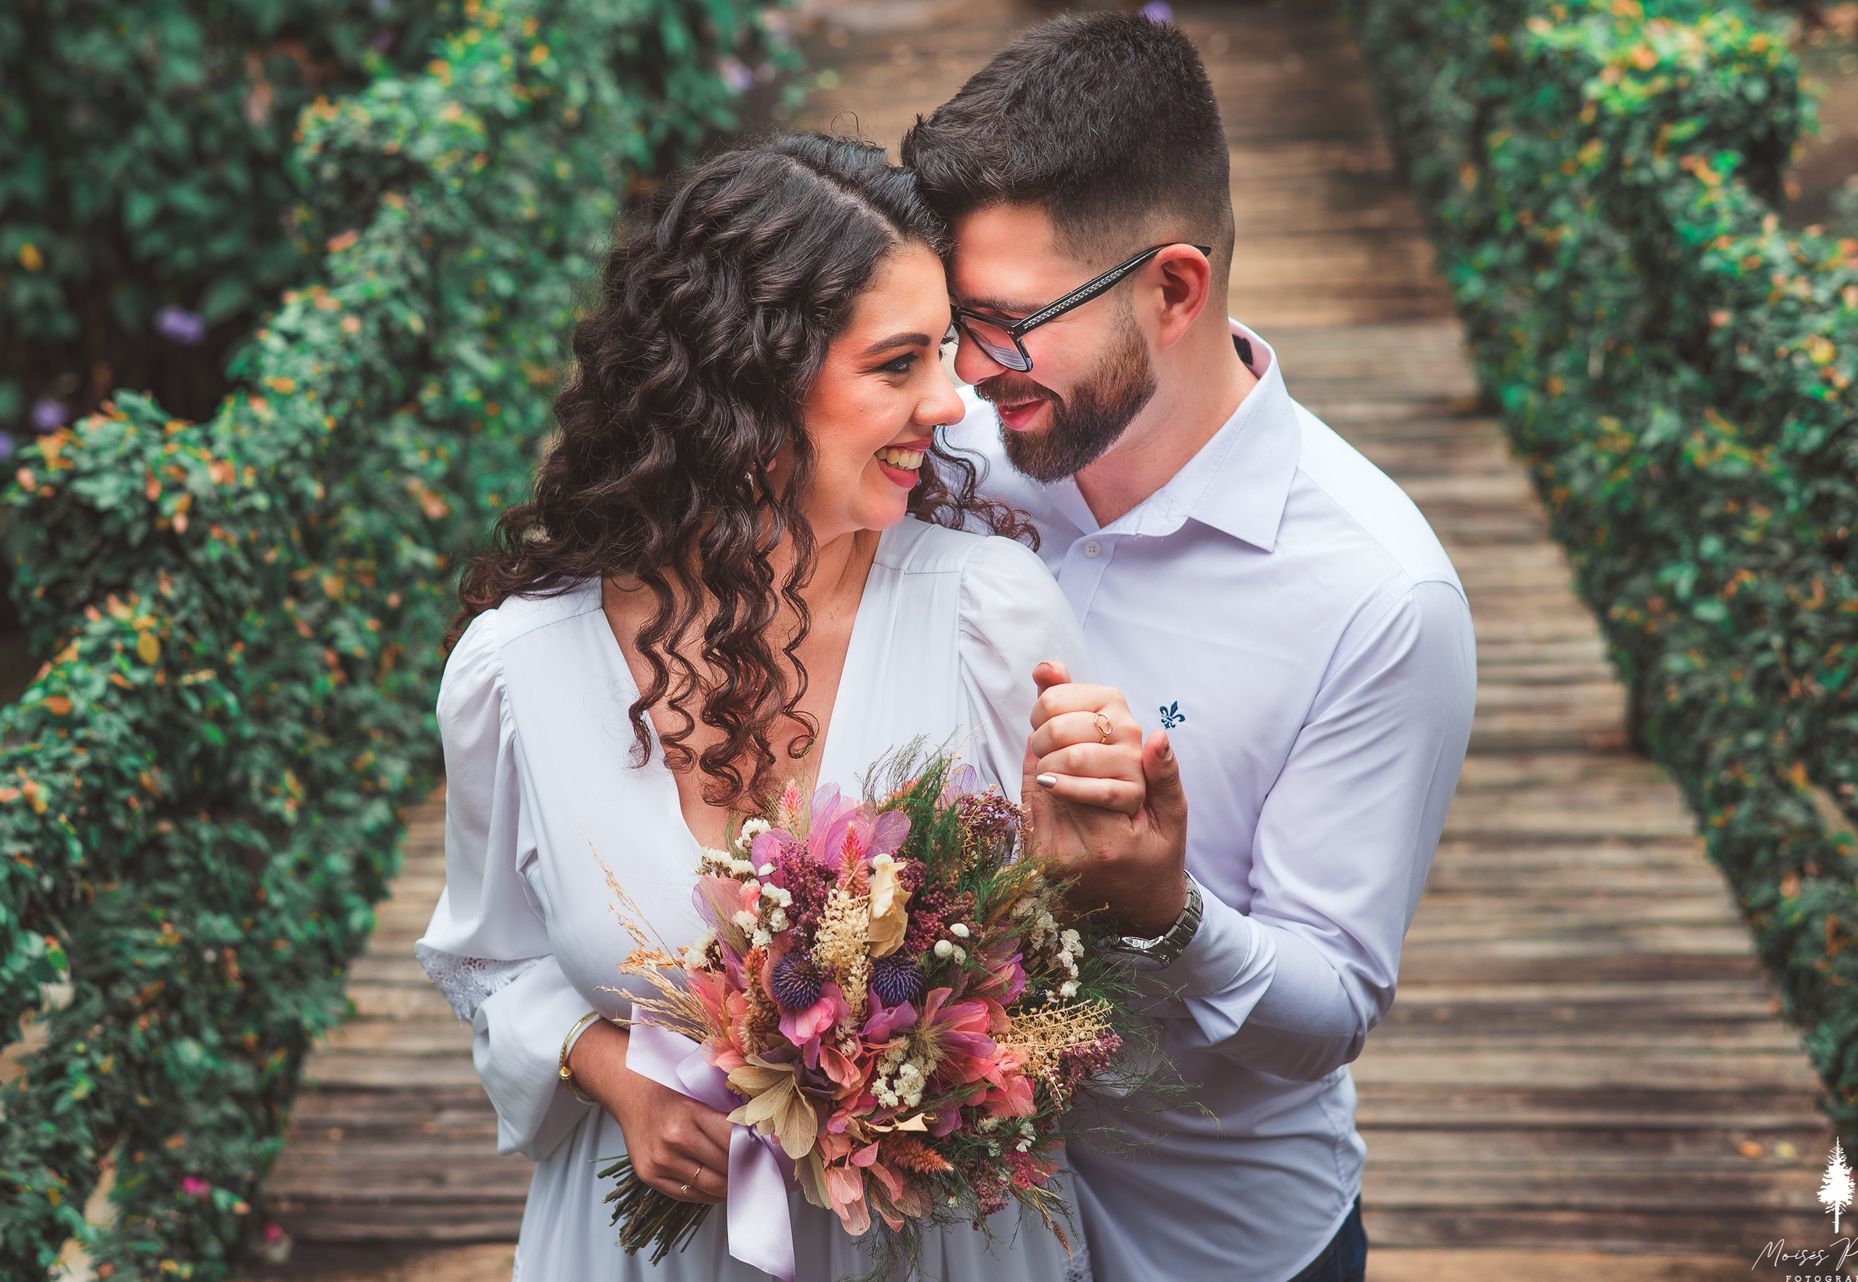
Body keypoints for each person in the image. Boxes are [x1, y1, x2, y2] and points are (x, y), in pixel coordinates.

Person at [410, 132, 1144, 1282]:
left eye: (945, 349)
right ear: (746, 384)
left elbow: (1081, 964)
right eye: (897, 363)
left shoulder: (991, 619)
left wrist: (1105, 877)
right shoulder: (518, 671)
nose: (950, 401)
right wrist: (617, 1075)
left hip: (934, 1247)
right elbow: (488, 964)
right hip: (651, 1247)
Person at [902, 13, 1479, 1282]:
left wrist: (1167, 915)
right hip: (935, 1231)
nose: (970, 372)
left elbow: (1330, 1010)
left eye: (1009, 321)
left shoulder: (1380, 595)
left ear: (1174, 288)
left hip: (1212, 1245)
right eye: (955, 319)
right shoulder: (939, 455)